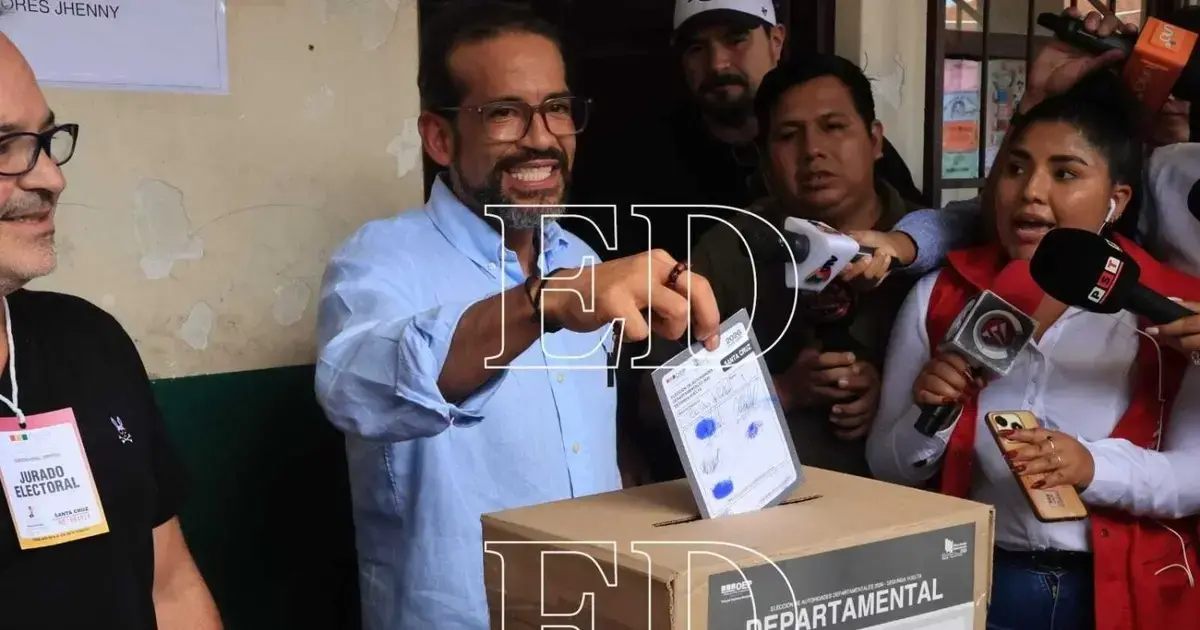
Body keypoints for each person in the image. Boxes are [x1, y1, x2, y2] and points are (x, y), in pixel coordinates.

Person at [313, 3, 720, 629]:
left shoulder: (580, 258)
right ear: (440, 138)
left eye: (557, 108)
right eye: (504, 112)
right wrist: (541, 302)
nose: (542, 138)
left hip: (595, 610)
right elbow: (354, 391)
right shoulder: (380, 259)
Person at [866, 74, 1200, 630]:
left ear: (1116, 200)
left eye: (1065, 173)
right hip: (977, 581)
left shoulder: (1174, 313)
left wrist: (1092, 466)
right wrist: (933, 416)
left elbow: (1194, 478)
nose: (1030, 191)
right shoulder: (940, 297)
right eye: (1016, 169)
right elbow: (887, 467)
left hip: (1124, 593)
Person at [0, 34, 221, 630]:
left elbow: (169, 586)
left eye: (44, 140)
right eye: (3, 147)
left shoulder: (88, 341)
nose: (52, 178)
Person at [637, 55, 918, 481]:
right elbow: (652, 400)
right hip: (767, 506)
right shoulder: (730, 250)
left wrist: (894, 397)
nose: (813, 150)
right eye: (789, 135)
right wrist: (781, 388)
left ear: (875, 140)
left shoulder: (925, 244)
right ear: (765, 159)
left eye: (834, 127)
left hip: (908, 502)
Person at [564, 0, 923, 263]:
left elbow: (927, 235)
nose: (718, 63)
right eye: (696, 48)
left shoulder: (860, 155)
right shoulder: (634, 161)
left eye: (736, 40)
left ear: (776, 41)